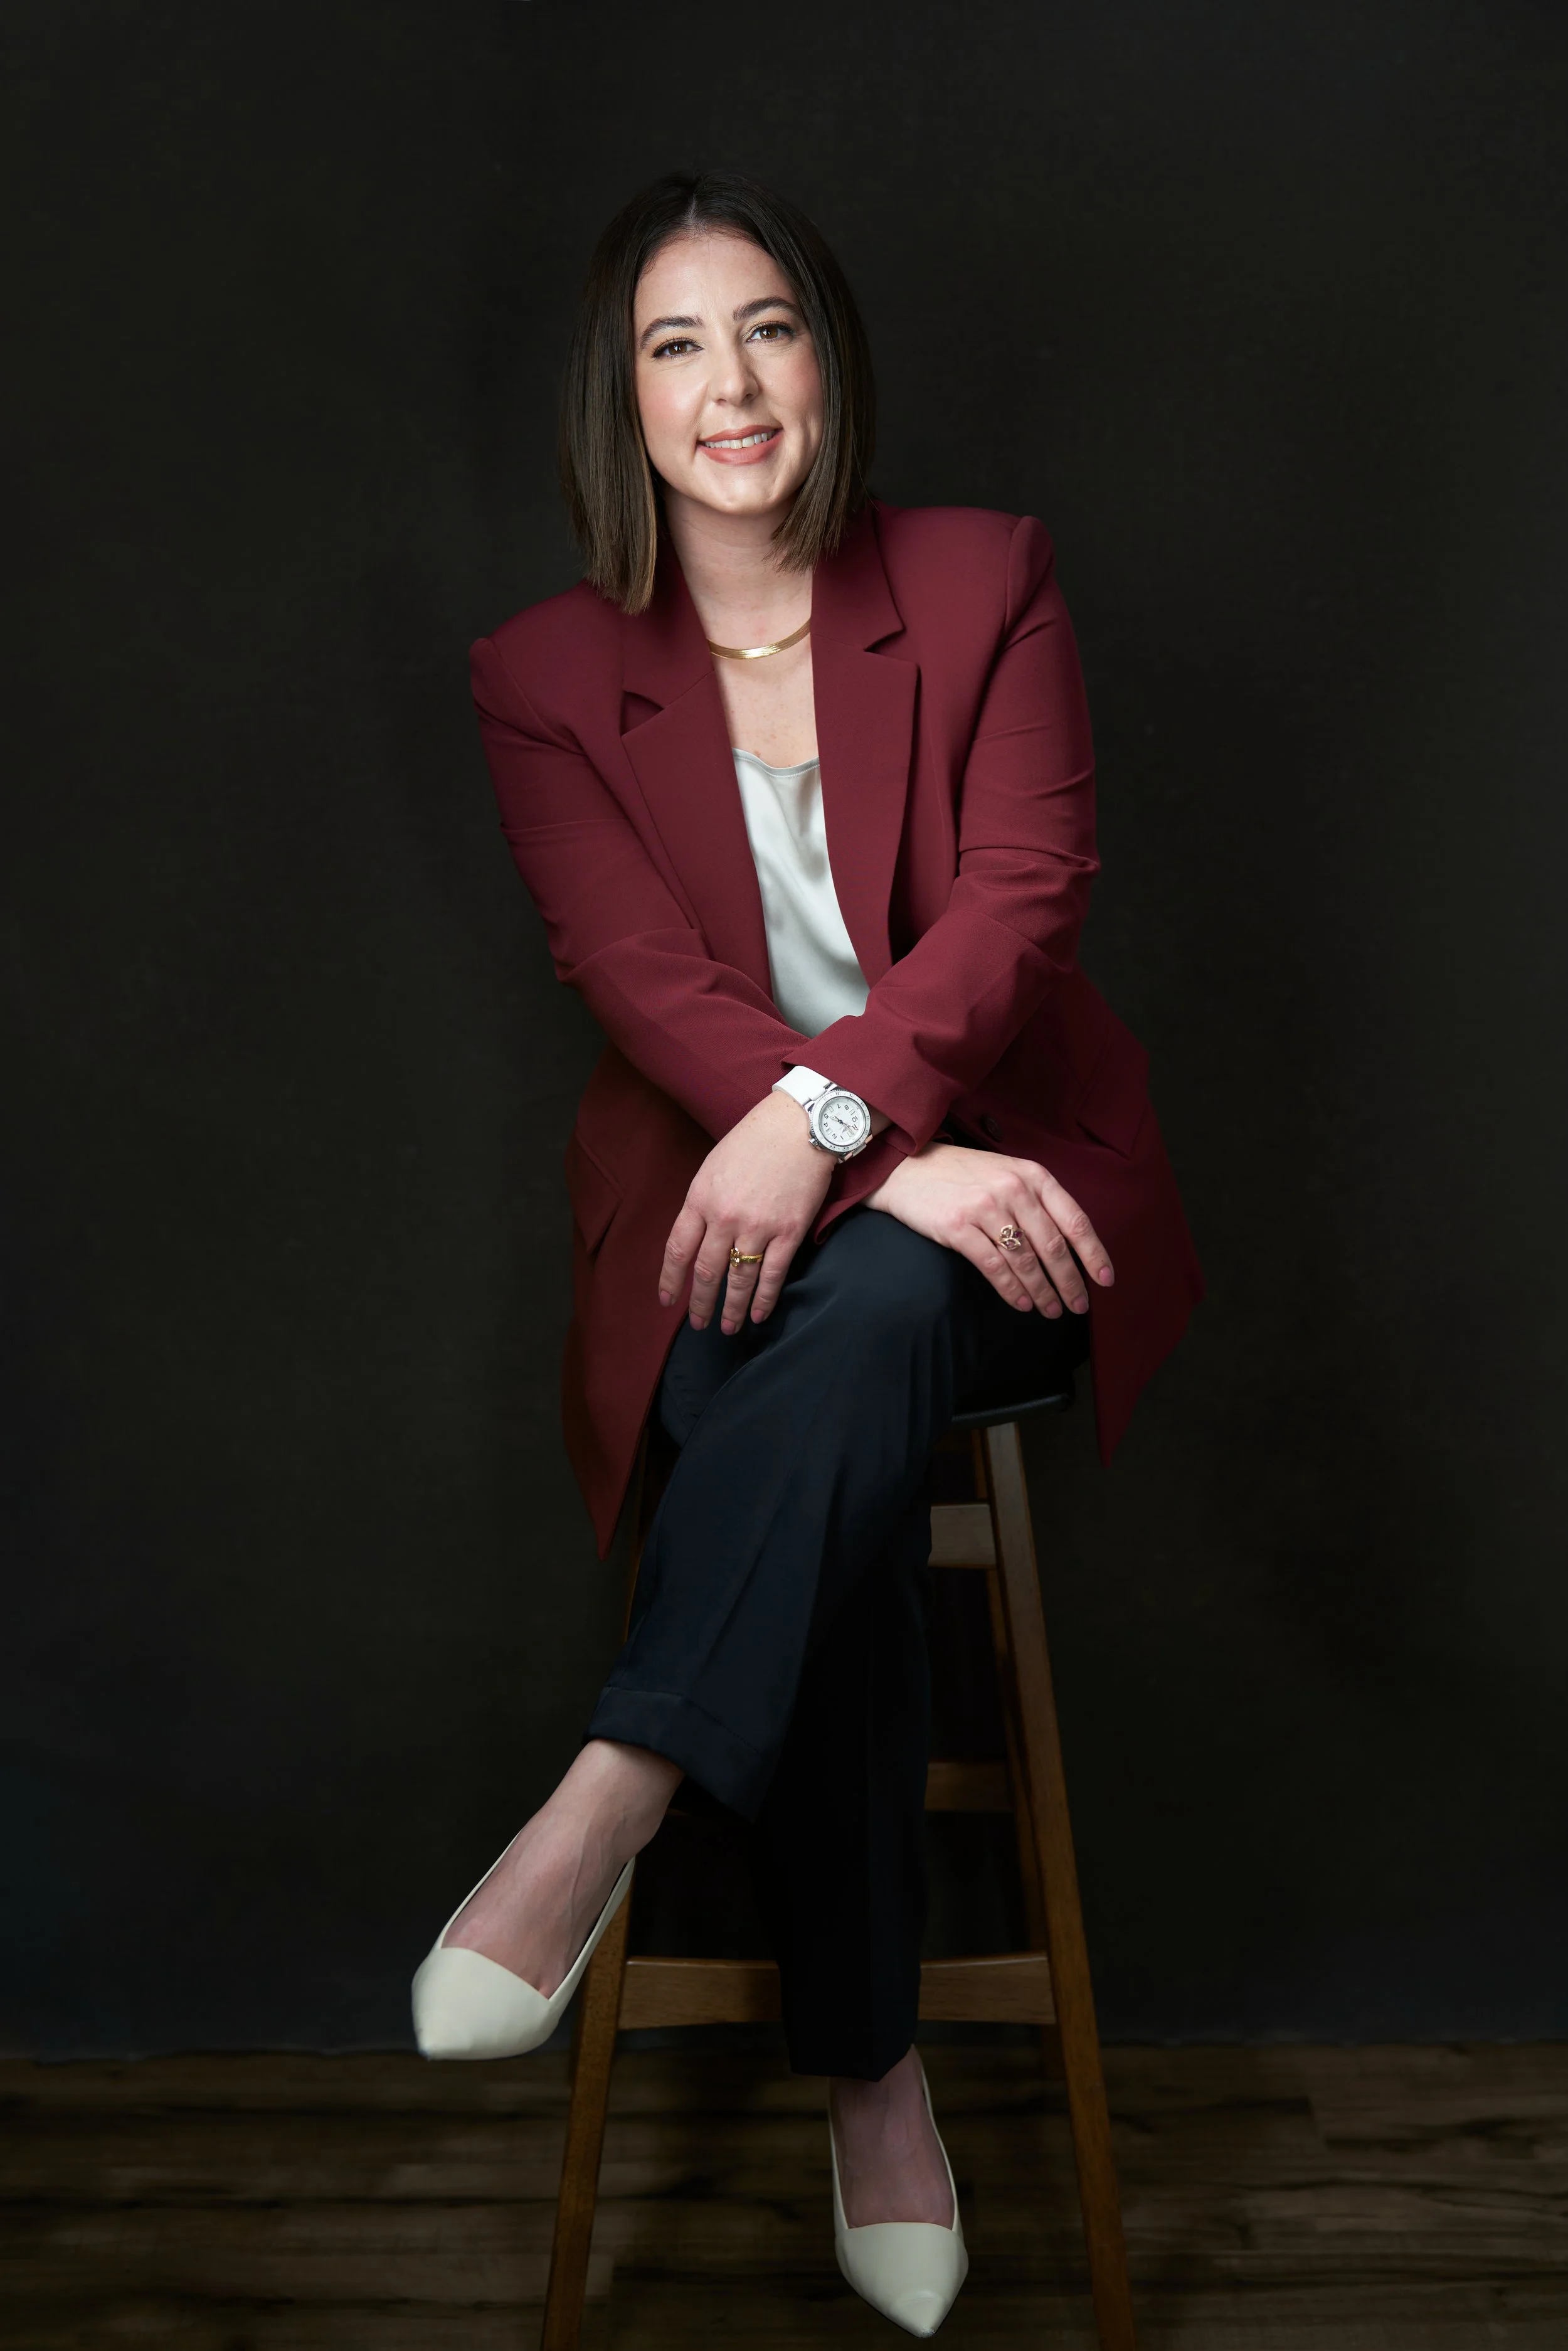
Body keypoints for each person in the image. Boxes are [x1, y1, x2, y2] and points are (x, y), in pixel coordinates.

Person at [411, 168, 1201, 2338]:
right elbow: (635, 974)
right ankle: (873, 2072)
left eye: (765, 329)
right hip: (722, 1208)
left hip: (996, 1170)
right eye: (676, 345)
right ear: (621, 400)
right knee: (819, 1362)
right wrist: (854, 1160)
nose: (729, 384)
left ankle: (613, 1792)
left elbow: (1024, 892)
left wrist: (855, 1131)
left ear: (825, 360)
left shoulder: (974, 578)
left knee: (833, 1331)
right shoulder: (545, 673)